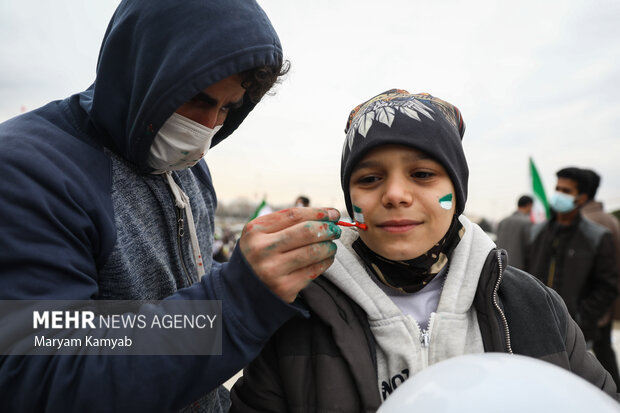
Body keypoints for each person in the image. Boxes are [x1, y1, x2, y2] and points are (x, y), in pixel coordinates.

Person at [0, 0, 341, 412]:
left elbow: (177, 290)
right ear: (138, 70)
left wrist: (282, 271)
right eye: (197, 98)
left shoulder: (187, 170)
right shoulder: (28, 170)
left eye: (228, 108)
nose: (208, 126)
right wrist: (241, 299)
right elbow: (46, 376)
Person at [229, 90, 619, 411]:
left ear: (458, 190)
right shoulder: (296, 312)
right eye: (369, 178)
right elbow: (173, 343)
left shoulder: (536, 305)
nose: (396, 194)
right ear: (350, 199)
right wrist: (239, 295)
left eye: (422, 174)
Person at [526, 168, 618, 350]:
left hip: (575, 334)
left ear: (582, 198)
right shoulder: (538, 232)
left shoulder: (596, 237)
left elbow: (609, 285)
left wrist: (581, 318)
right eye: (558, 189)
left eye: (566, 191)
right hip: (536, 327)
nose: (559, 195)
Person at [581, 168, 620, 387]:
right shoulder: (610, 220)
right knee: (605, 353)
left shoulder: (585, 224)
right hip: (605, 303)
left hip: (588, 306)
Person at [495, 195, 533, 269]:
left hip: (498, 267)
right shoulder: (528, 223)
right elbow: (529, 251)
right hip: (518, 271)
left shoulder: (503, 221)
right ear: (529, 205)